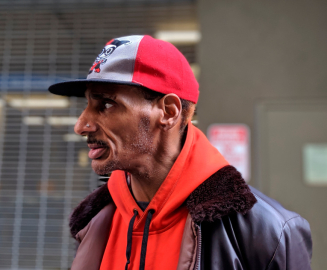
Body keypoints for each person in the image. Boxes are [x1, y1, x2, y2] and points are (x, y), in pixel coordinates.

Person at [48, 35, 312, 270]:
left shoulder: (270, 232)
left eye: (106, 104)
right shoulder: (95, 221)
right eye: (87, 105)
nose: (81, 125)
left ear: (169, 112)